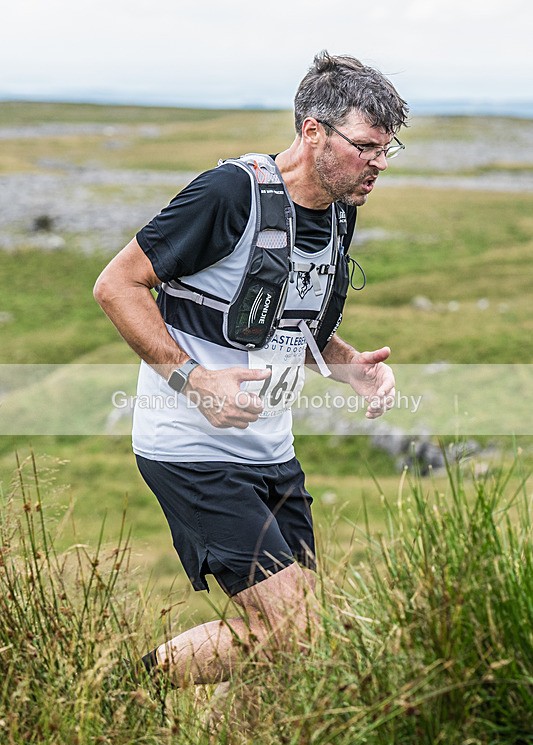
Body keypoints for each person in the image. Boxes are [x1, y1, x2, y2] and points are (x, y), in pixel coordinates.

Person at [94, 51, 408, 687]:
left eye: (388, 149)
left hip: (272, 451)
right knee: (294, 629)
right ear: (313, 132)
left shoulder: (340, 210)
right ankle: (124, 693)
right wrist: (194, 380)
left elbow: (292, 325)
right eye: (367, 146)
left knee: (295, 648)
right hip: (191, 448)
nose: (378, 163)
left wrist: (349, 366)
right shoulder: (229, 193)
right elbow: (116, 284)